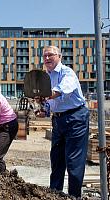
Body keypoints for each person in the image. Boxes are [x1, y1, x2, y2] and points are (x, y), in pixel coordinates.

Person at [40, 46, 89, 198]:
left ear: (59, 56)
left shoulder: (67, 73)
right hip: (58, 119)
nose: (47, 58)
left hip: (76, 118)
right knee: (56, 159)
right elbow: (53, 102)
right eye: (44, 55)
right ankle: (55, 195)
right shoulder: (46, 76)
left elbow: (61, 91)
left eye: (50, 55)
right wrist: (45, 110)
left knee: (74, 161)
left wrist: (44, 95)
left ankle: (74, 196)